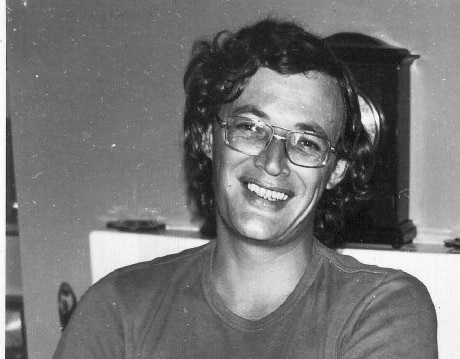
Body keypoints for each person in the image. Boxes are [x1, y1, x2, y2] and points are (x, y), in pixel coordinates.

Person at [54, 19, 438, 359]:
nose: (273, 161)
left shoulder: (380, 308)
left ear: (335, 170)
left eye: (307, 142)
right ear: (208, 137)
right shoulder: (118, 308)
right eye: (251, 128)